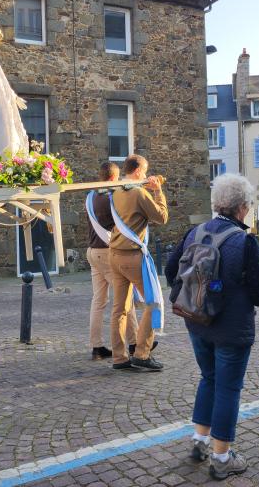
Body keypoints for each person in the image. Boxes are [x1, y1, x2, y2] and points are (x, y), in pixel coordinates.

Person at [165, 173, 259, 480]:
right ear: (241, 208)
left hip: (196, 321)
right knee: (228, 388)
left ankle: (199, 440)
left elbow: (171, 270)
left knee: (208, 378)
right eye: (248, 205)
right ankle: (222, 458)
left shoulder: (194, 232)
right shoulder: (244, 242)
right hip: (231, 328)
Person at [109, 155, 168, 371]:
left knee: (120, 309)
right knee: (154, 303)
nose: (145, 175)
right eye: (144, 171)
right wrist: (157, 191)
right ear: (136, 171)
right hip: (132, 256)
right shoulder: (138, 192)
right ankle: (142, 353)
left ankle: (119, 357)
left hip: (114, 254)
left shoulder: (116, 190)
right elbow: (161, 217)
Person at [86, 162, 138, 360]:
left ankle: (97, 347)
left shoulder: (90, 196)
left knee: (98, 301)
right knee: (125, 299)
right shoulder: (111, 198)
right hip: (107, 251)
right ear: (114, 178)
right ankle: (134, 343)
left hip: (92, 251)